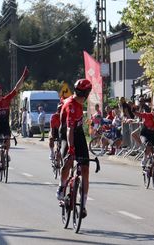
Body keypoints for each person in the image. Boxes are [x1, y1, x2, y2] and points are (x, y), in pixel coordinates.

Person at [56, 79, 92, 218]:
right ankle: (61, 187)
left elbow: (76, 128)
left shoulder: (80, 102)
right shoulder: (71, 105)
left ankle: (82, 206)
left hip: (78, 133)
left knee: (85, 169)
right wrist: (71, 149)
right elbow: (69, 129)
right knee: (69, 160)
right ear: (87, 93)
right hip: (66, 133)